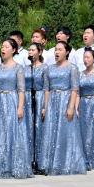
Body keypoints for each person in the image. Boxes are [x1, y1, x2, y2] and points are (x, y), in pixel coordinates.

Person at [39, 41, 87, 175]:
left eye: (60, 49)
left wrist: (71, 107)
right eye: (55, 49)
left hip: (65, 100)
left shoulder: (72, 68)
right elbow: (46, 89)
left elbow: (75, 89)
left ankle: (67, 162)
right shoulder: (49, 68)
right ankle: (51, 163)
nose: (56, 52)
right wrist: (45, 107)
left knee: (66, 131)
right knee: (51, 130)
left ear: (66, 52)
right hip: (52, 101)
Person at [0, 39, 31, 179]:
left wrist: (20, 107)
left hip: (12, 101)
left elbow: (21, 90)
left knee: (12, 132)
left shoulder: (18, 68)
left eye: (6, 46)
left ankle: (13, 165)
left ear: (14, 50)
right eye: (2, 46)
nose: (3, 49)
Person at [27, 43, 46, 172]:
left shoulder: (45, 68)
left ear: (39, 52)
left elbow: (46, 87)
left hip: (40, 96)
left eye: (33, 50)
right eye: (29, 50)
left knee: (39, 127)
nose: (30, 51)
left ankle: (40, 160)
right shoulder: (25, 68)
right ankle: (29, 159)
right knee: (29, 128)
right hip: (28, 99)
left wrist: (45, 105)